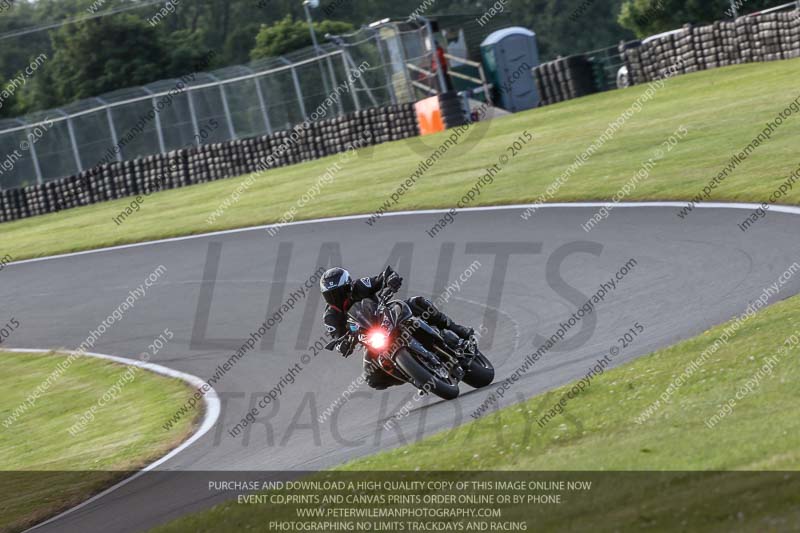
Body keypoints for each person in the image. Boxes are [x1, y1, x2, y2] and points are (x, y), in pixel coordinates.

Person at [320, 266, 473, 389]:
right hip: (371, 338)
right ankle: (411, 373)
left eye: (339, 292)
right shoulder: (330, 317)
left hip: (387, 315)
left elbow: (383, 276)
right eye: (331, 295)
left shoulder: (359, 286)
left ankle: (456, 329)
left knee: (416, 303)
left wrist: (391, 279)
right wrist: (344, 345)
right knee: (372, 378)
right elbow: (338, 338)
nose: (336, 297)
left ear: (348, 286)